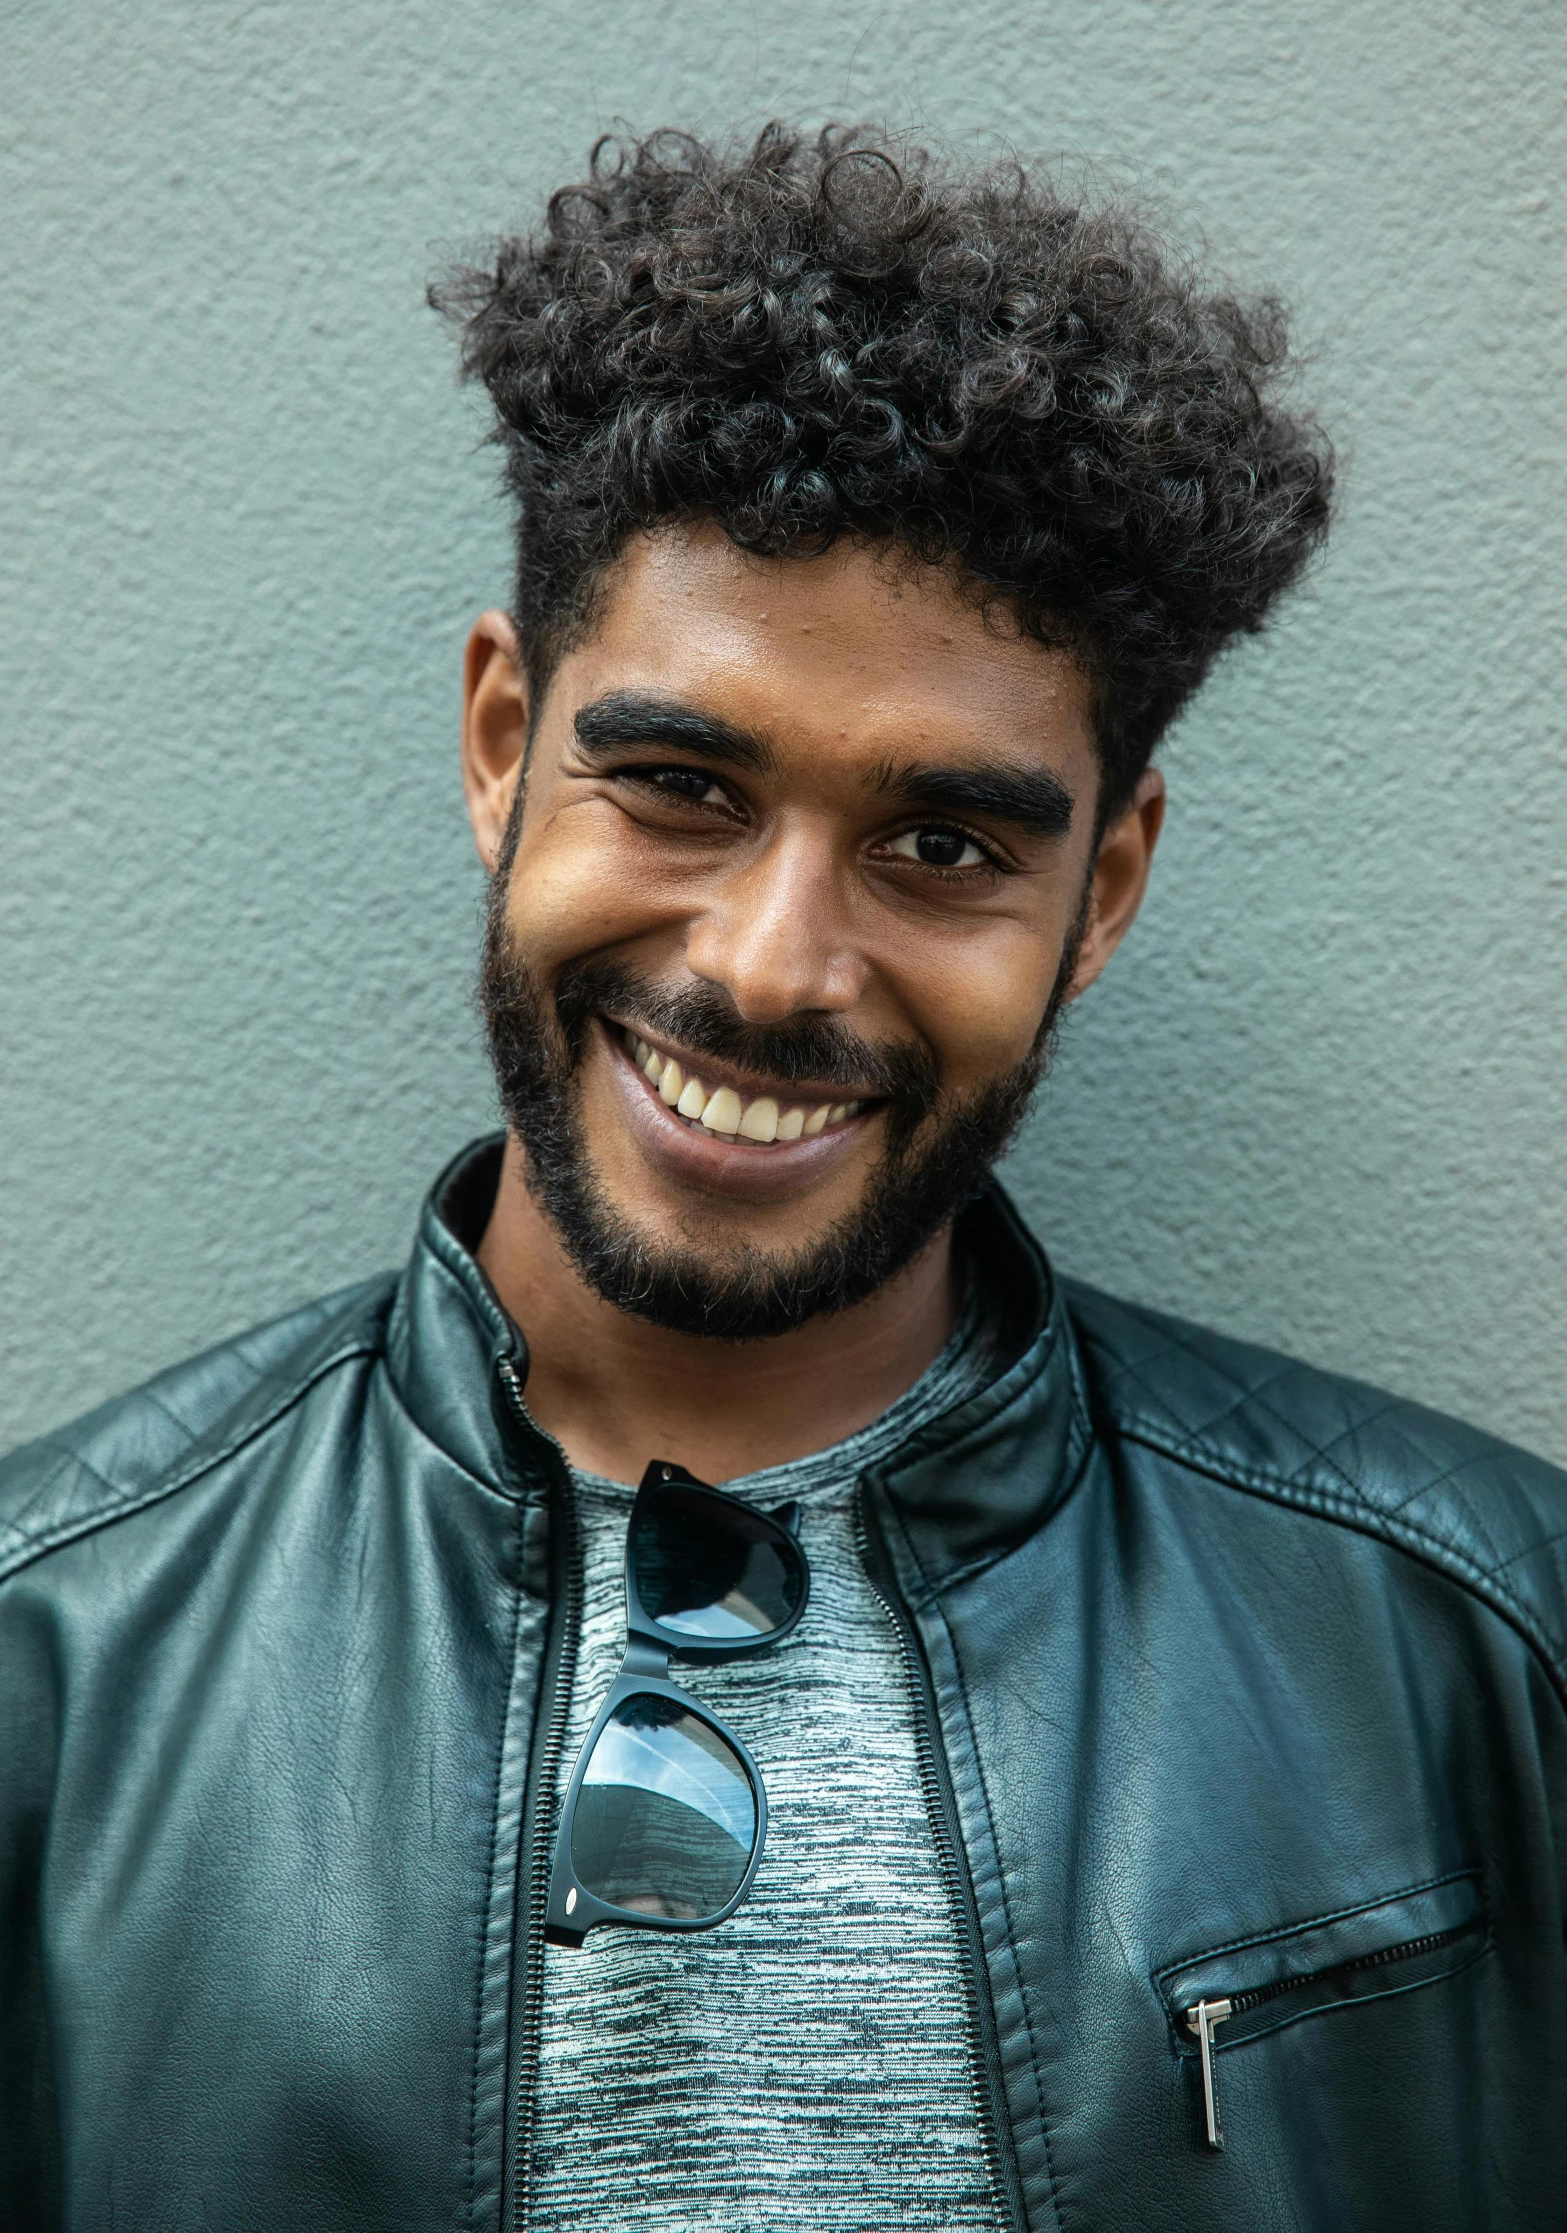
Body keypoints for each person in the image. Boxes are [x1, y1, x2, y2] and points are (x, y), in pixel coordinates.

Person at [1, 124, 1561, 2233]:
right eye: (676, 784)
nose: (764, 966)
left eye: (942, 847)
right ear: (498, 742)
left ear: (1099, 891)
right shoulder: (51, 1654)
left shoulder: (1481, 1630)